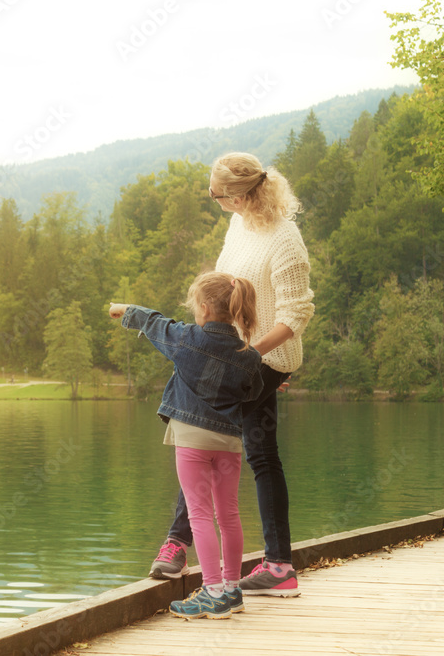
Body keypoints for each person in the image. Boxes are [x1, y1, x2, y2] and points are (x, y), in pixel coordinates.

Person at [149, 152, 315, 597]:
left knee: (242, 449)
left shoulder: (286, 239)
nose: (214, 200)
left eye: (217, 193)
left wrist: (249, 353)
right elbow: (225, 287)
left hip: (262, 361)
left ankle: (186, 545)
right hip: (230, 355)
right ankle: (267, 563)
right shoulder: (239, 224)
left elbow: (297, 314)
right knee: (220, 441)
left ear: (240, 194)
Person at [110, 272, 263, 619]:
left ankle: (211, 591)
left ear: (206, 308)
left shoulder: (186, 340)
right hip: (228, 443)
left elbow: (155, 324)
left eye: (196, 306)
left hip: (192, 442)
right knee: (228, 515)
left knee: (199, 514)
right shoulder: (249, 356)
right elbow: (252, 394)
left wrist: (125, 310)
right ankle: (232, 590)